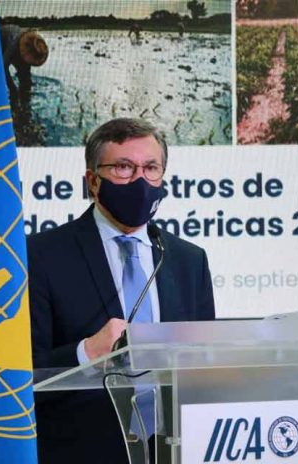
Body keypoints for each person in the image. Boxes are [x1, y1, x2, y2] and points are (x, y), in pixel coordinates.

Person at [27, 118, 216, 464]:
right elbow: (17, 375)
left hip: (173, 451)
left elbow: (202, 365)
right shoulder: (40, 256)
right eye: (123, 168)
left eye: (151, 168)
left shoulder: (188, 260)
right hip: (79, 452)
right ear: (92, 181)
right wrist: (84, 353)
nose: (140, 180)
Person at [0, 25, 48, 102]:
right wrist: (12, 88)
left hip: (21, 50)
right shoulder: (12, 46)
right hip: (2, 46)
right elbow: (2, 67)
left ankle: (25, 107)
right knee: (13, 91)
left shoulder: (32, 43)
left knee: (26, 82)